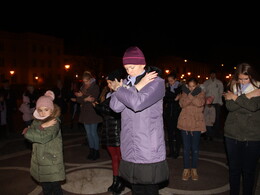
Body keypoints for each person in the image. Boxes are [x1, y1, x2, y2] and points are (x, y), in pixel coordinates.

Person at [109, 46, 169, 195]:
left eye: (132, 67)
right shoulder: (127, 84)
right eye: (126, 68)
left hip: (148, 145)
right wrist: (135, 86)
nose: (129, 71)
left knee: (149, 189)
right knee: (136, 189)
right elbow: (115, 106)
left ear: (143, 64)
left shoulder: (156, 82)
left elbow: (137, 103)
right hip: (130, 143)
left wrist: (121, 89)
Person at [223, 62, 260, 195]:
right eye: (240, 79)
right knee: (234, 170)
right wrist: (248, 96)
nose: (243, 82)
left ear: (252, 76)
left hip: (252, 135)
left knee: (249, 171)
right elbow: (230, 107)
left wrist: (235, 98)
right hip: (232, 134)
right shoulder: (233, 87)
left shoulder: (259, 88)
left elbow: (253, 107)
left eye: (246, 79)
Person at [22, 90, 65, 195]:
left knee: (55, 188)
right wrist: (40, 127)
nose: (42, 112)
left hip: (51, 161)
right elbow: (33, 131)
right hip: (40, 161)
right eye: (40, 110)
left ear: (52, 110)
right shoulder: (37, 121)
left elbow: (42, 137)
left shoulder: (54, 122)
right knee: (46, 188)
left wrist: (30, 131)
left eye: (46, 109)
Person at [93, 68, 126, 194]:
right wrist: (98, 107)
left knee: (121, 158)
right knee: (114, 157)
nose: (108, 85)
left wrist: (99, 107)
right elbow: (106, 110)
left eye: (110, 82)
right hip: (108, 129)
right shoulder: (108, 95)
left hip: (118, 130)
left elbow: (115, 112)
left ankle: (122, 181)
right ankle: (115, 181)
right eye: (107, 83)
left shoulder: (122, 94)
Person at [177, 77, 206, 181]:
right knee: (185, 149)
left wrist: (190, 96)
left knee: (195, 149)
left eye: (193, 86)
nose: (191, 88)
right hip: (184, 123)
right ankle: (186, 169)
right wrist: (191, 96)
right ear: (187, 86)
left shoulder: (201, 93)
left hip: (197, 124)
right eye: (189, 86)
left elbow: (200, 103)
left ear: (197, 85)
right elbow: (182, 104)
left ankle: (193, 169)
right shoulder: (184, 93)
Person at [74, 71, 103, 160]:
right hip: (85, 113)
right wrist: (83, 98)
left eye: (86, 81)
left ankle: (96, 151)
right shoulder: (82, 87)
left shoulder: (95, 87)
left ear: (90, 79)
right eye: (84, 81)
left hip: (93, 113)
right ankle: (91, 151)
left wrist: (83, 96)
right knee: (88, 133)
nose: (85, 83)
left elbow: (93, 98)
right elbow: (79, 100)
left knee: (93, 133)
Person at [163, 72, 182, 159]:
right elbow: (166, 98)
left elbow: (177, 97)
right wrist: (174, 98)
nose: (170, 82)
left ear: (175, 80)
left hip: (177, 113)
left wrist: (173, 98)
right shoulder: (167, 88)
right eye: (169, 81)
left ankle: (177, 152)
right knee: (170, 133)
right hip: (168, 114)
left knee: (177, 133)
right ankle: (171, 151)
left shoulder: (180, 88)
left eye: (171, 81)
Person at [202, 70, 224, 137]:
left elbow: (221, 93)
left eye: (214, 74)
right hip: (207, 103)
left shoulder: (219, 82)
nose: (213, 75)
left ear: (215, 75)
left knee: (216, 118)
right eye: (211, 74)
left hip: (216, 102)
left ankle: (215, 132)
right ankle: (206, 132)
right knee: (205, 117)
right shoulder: (206, 83)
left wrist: (220, 102)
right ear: (210, 75)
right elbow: (203, 92)